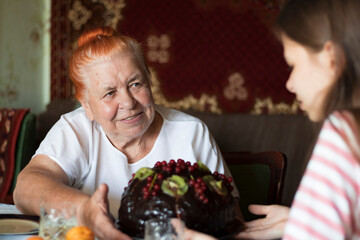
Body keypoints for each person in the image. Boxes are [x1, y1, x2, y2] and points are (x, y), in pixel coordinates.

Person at [13, 26, 240, 240]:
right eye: (110, 93)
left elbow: (231, 219)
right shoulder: (76, 130)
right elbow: (26, 187)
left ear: (150, 81)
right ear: (87, 106)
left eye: (135, 84)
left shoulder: (191, 133)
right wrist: (84, 210)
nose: (129, 103)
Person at [182, 0, 360, 239]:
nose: (290, 84)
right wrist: (301, 221)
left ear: (331, 56)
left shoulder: (344, 132)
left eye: (293, 65)